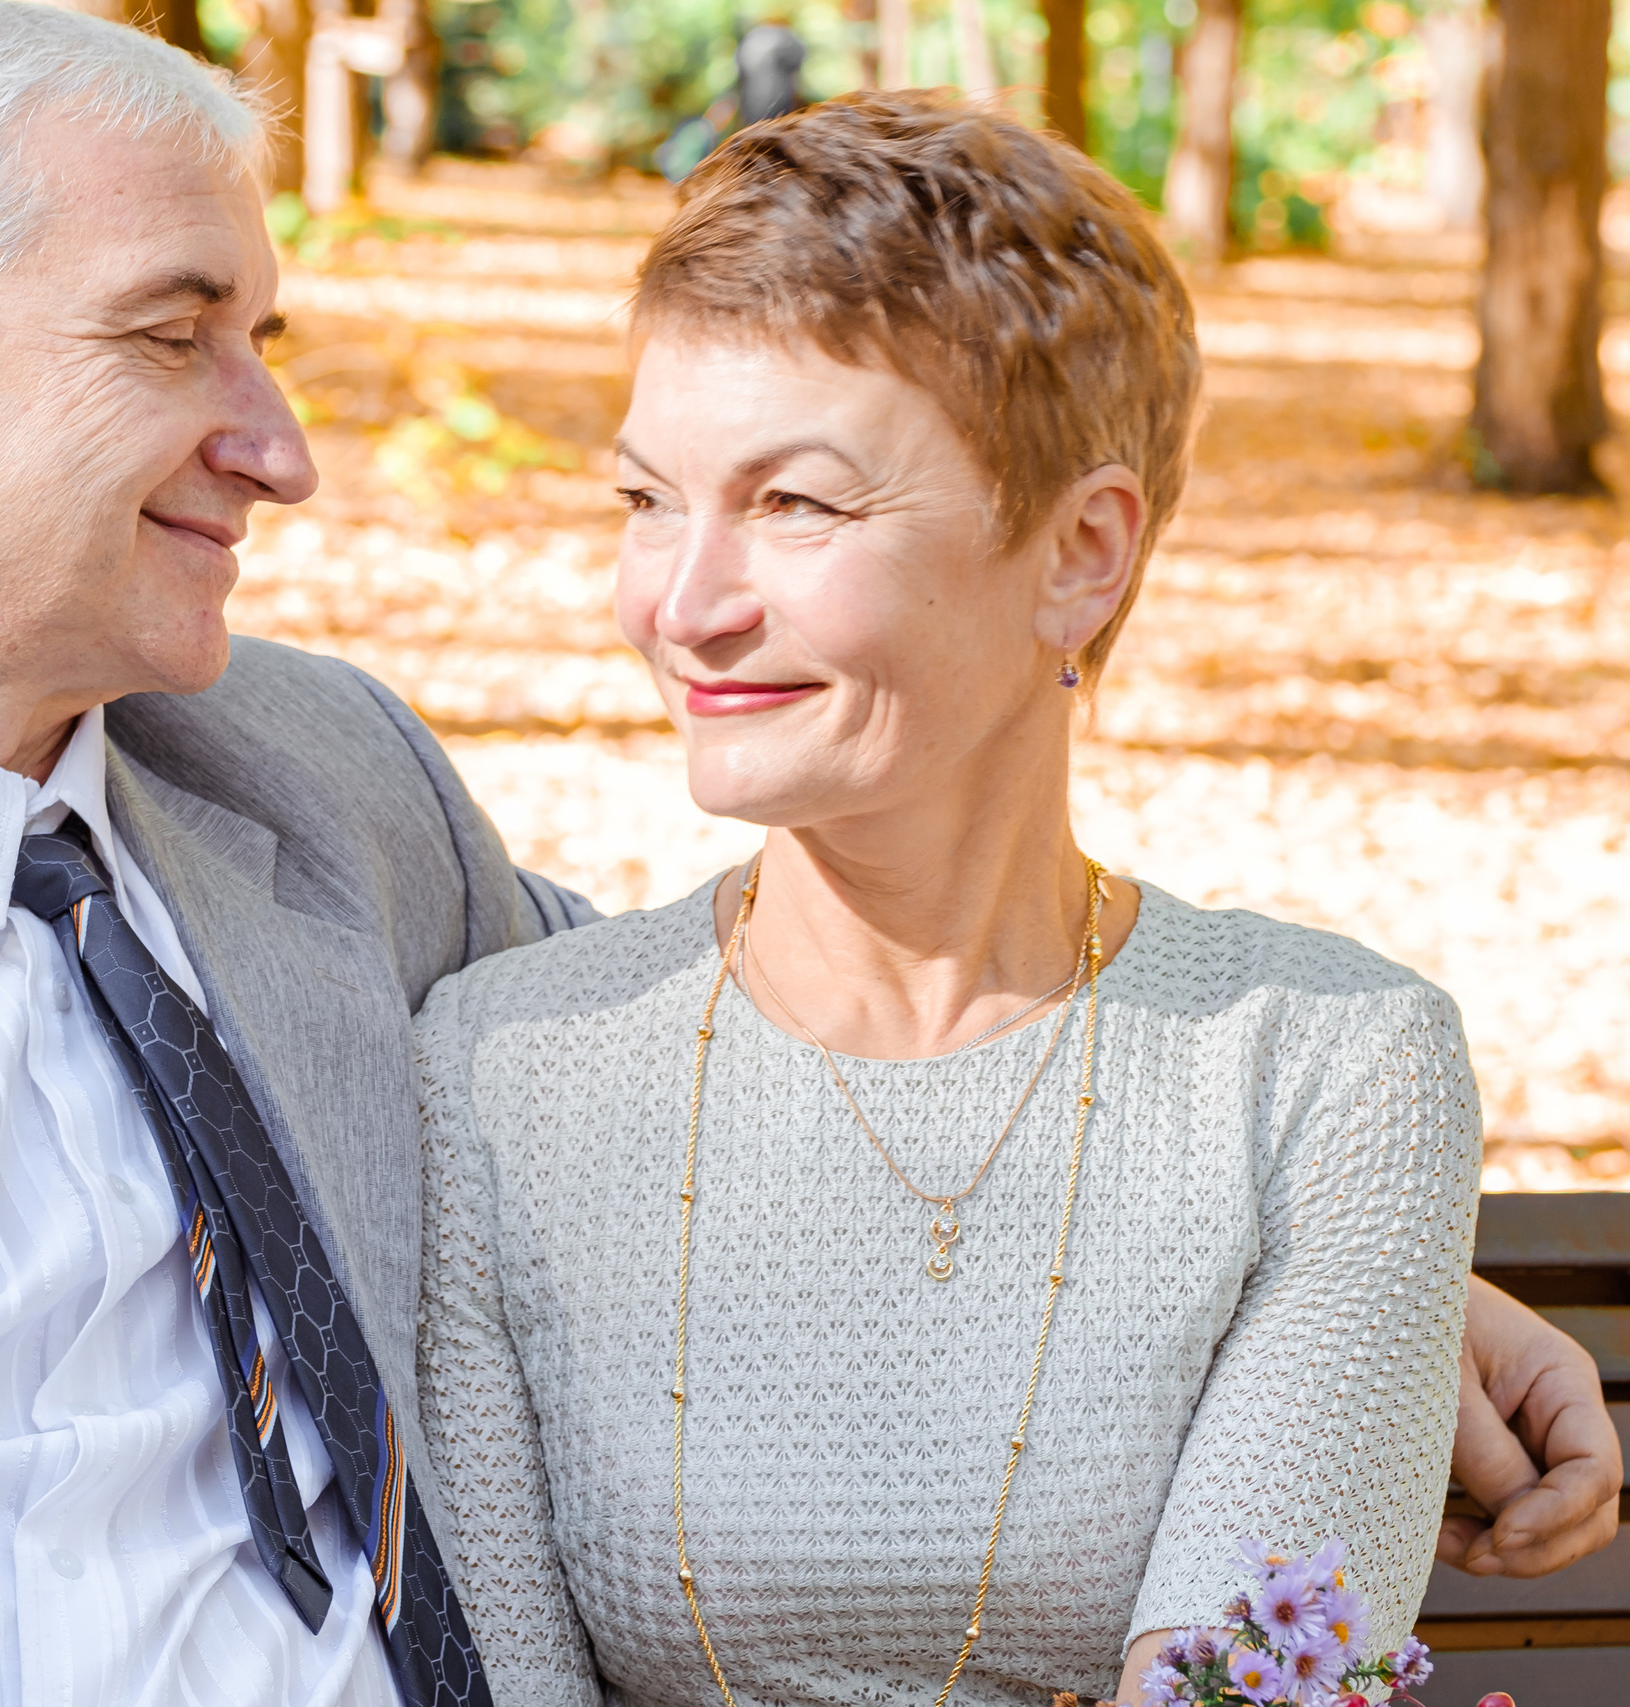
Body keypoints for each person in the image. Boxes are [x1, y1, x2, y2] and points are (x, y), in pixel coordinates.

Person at [0, 10, 1610, 1705]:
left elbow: (746, 1068)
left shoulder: (304, 779)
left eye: (267, 343)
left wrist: (1364, 1277)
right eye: (171, 332)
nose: (279, 446)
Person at [412, 91, 1621, 1707]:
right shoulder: (503, 1068)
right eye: (646, 499)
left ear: (1081, 552)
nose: (681, 605)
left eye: (795, 502)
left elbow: (1240, 1686)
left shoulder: (1327, 1074)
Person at [732, 9, 806, 128]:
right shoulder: (786, 38)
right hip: (779, 101)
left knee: (756, 133)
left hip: (750, 103)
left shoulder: (749, 41)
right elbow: (798, 58)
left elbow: (740, 73)